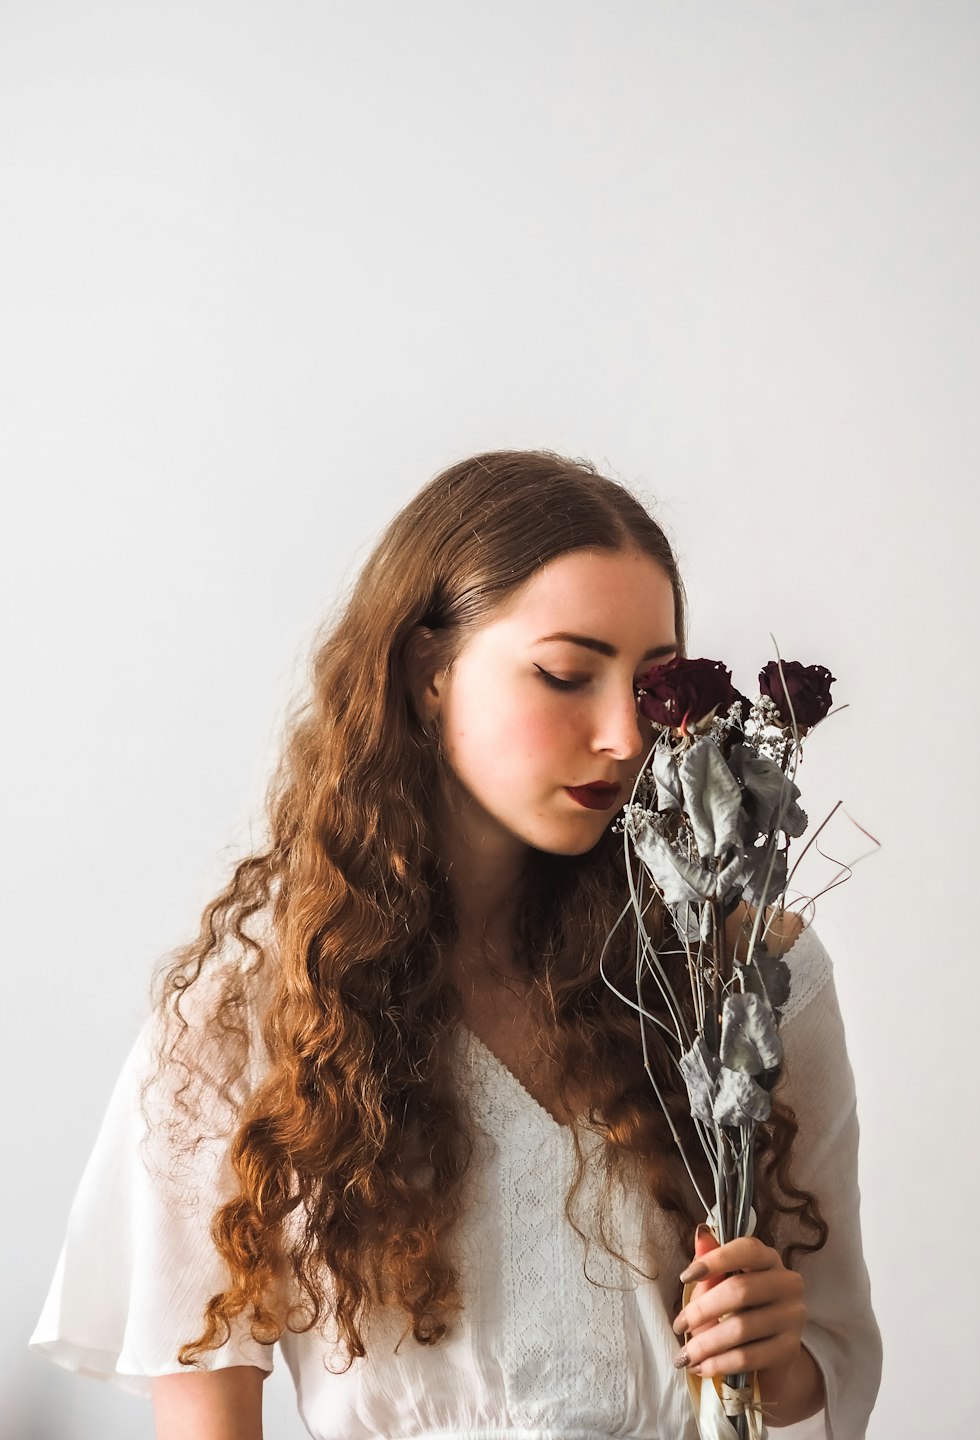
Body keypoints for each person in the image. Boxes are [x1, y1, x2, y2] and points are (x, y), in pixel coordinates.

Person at [30, 449, 882, 1439]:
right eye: (567, 674)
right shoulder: (254, 1003)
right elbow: (201, 1386)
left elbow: (825, 1373)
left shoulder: (739, 973)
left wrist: (771, 1358)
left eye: (649, 689)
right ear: (428, 671)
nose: (621, 736)